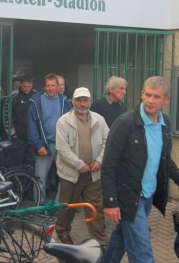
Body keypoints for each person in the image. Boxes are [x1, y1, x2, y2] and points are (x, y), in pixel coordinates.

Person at [101, 76, 179, 263]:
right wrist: (111, 202)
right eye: (148, 95)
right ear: (142, 94)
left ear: (166, 99)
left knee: (119, 239)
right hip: (129, 197)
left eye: (157, 97)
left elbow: (163, 159)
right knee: (142, 254)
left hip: (147, 196)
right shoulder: (125, 122)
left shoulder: (165, 123)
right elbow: (108, 165)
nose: (151, 100)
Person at [54, 87, 109, 248]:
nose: (82, 104)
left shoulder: (99, 119)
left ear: (90, 101)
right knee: (67, 206)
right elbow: (62, 148)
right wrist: (79, 165)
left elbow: (108, 141)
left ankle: (100, 241)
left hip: (93, 173)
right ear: (73, 101)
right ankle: (62, 231)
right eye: (79, 100)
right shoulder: (63, 121)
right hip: (71, 174)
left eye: (85, 100)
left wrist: (99, 160)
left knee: (95, 208)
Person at [28, 73, 72, 204]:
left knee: (64, 177)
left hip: (63, 144)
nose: (50, 88)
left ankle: (59, 207)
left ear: (58, 86)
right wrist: (38, 145)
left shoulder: (65, 101)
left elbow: (70, 122)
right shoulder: (36, 101)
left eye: (53, 85)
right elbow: (32, 125)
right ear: (44, 86)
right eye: (48, 85)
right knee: (40, 179)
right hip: (45, 145)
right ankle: (39, 207)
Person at [9, 74, 36, 168]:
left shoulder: (37, 96)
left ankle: (31, 182)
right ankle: (17, 182)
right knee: (17, 163)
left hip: (33, 137)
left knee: (32, 163)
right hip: (18, 137)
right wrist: (13, 133)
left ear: (32, 85)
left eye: (29, 86)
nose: (27, 89)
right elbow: (7, 116)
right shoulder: (14, 97)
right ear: (20, 84)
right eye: (25, 86)